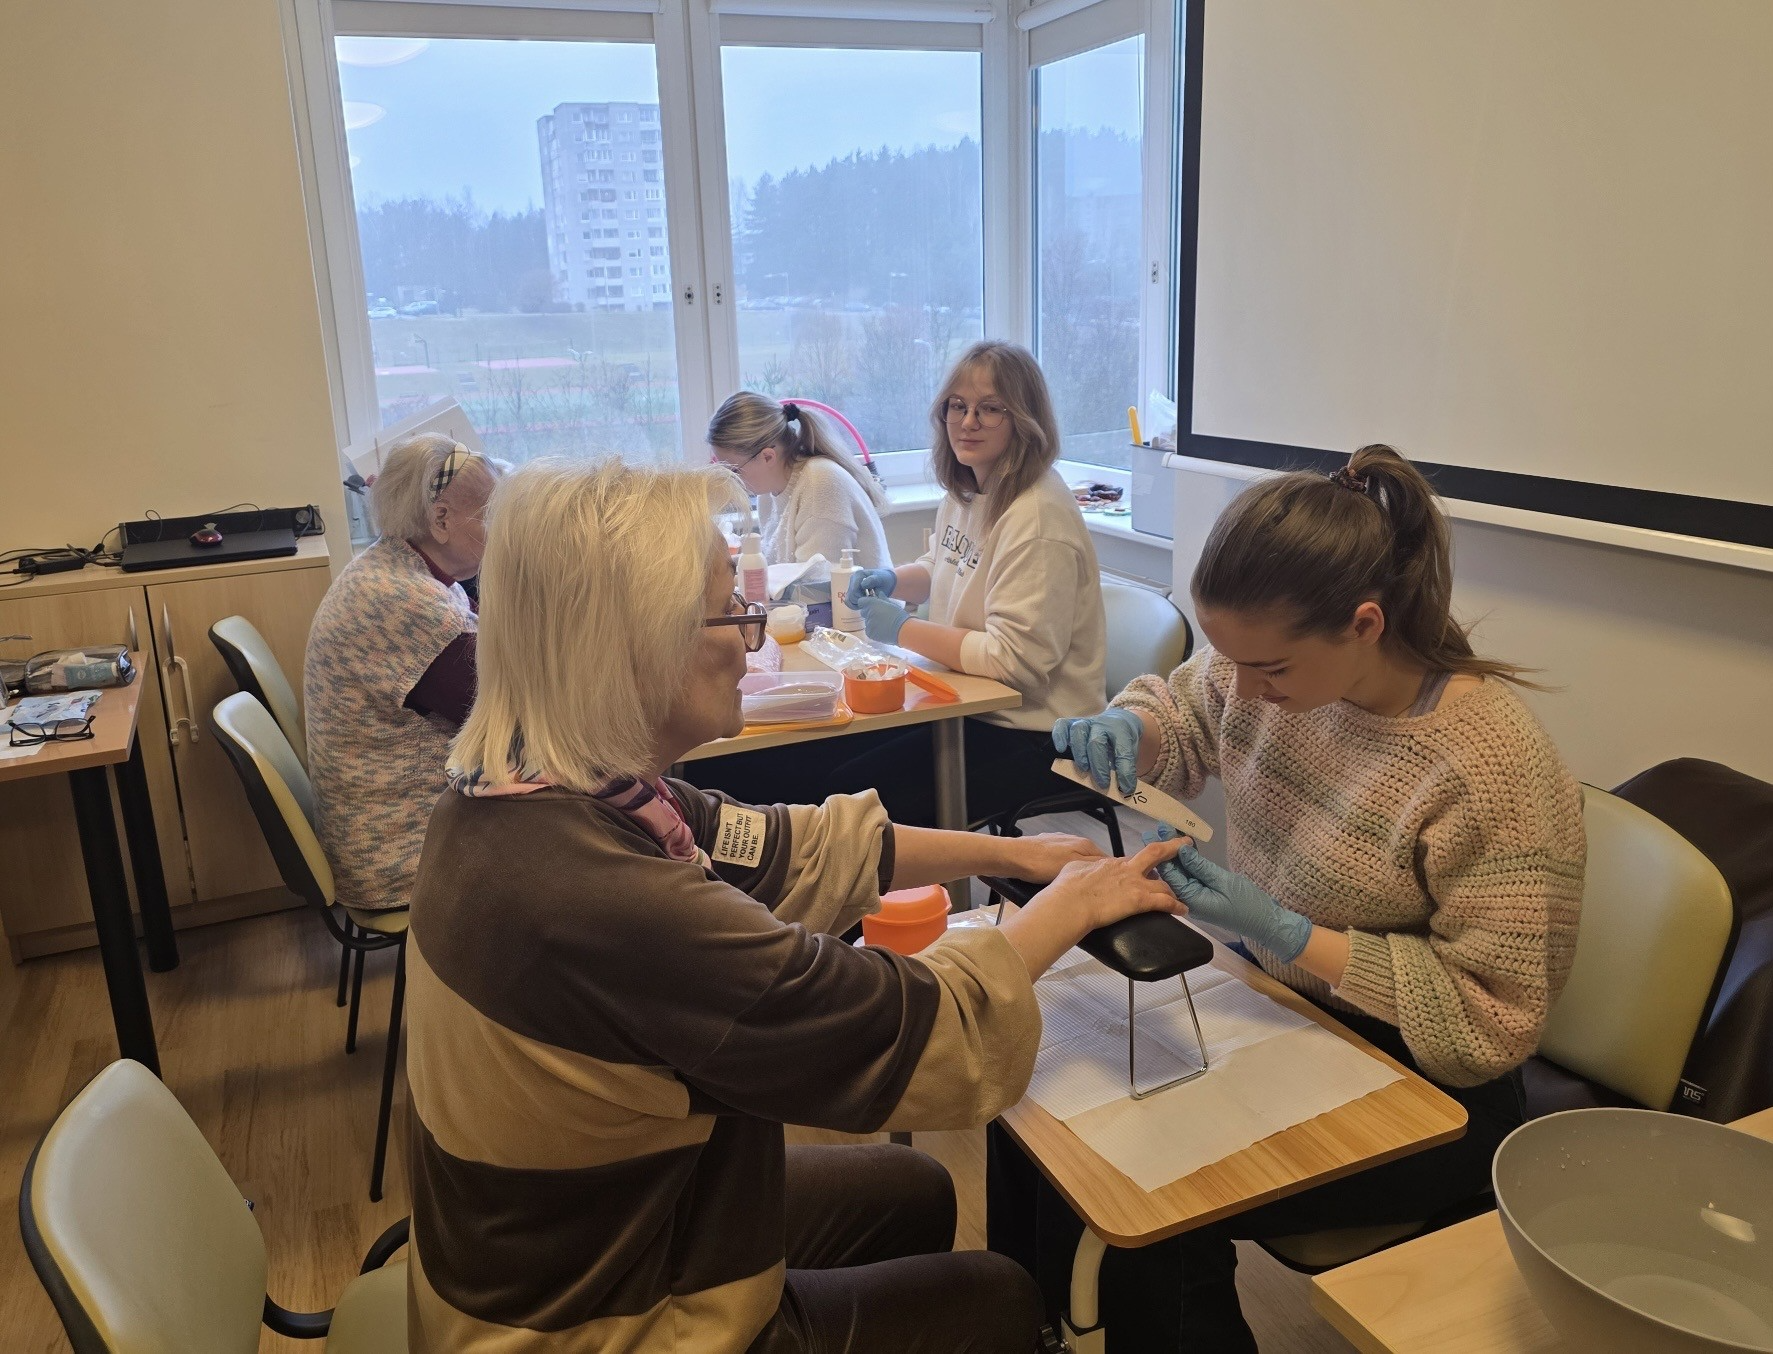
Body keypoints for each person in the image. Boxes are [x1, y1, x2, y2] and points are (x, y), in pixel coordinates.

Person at [403, 456, 1189, 1354]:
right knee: (998, 1300)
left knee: (915, 1192)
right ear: (635, 645)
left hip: (565, 1239)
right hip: (591, 1328)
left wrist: (1018, 854)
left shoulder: (539, 790)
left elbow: (787, 845)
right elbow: (906, 1026)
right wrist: (1070, 907)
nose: (752, 636)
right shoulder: (600, 902)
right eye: (729, 611)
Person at [989, 443, 1588, 1350]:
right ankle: (1030, 1327)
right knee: (1040, 1110)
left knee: (1154, 1201)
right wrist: (1131, 726)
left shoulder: (1487, 768)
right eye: (1233, 662)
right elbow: (1189, 706)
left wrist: (1286, 931)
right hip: (1285, 1008)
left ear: (1363, 624)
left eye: (1268, 670)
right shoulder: (1265, 673)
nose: (1247, 691)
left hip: (1430, 1084)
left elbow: (1487, 1023)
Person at [304, 433, 498, 911]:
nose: (502, 531)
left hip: (384, 828)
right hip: (403, 855)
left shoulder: (392, 566)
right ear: (441, 519)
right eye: (492, 516)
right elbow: (505, 714)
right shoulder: (409, 604)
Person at [709, 390, 891, 568]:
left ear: (768, 457)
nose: (730, 480)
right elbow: (772, 565)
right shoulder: (768, 493)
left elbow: (817, 580)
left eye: (734, 470)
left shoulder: (821, 483)